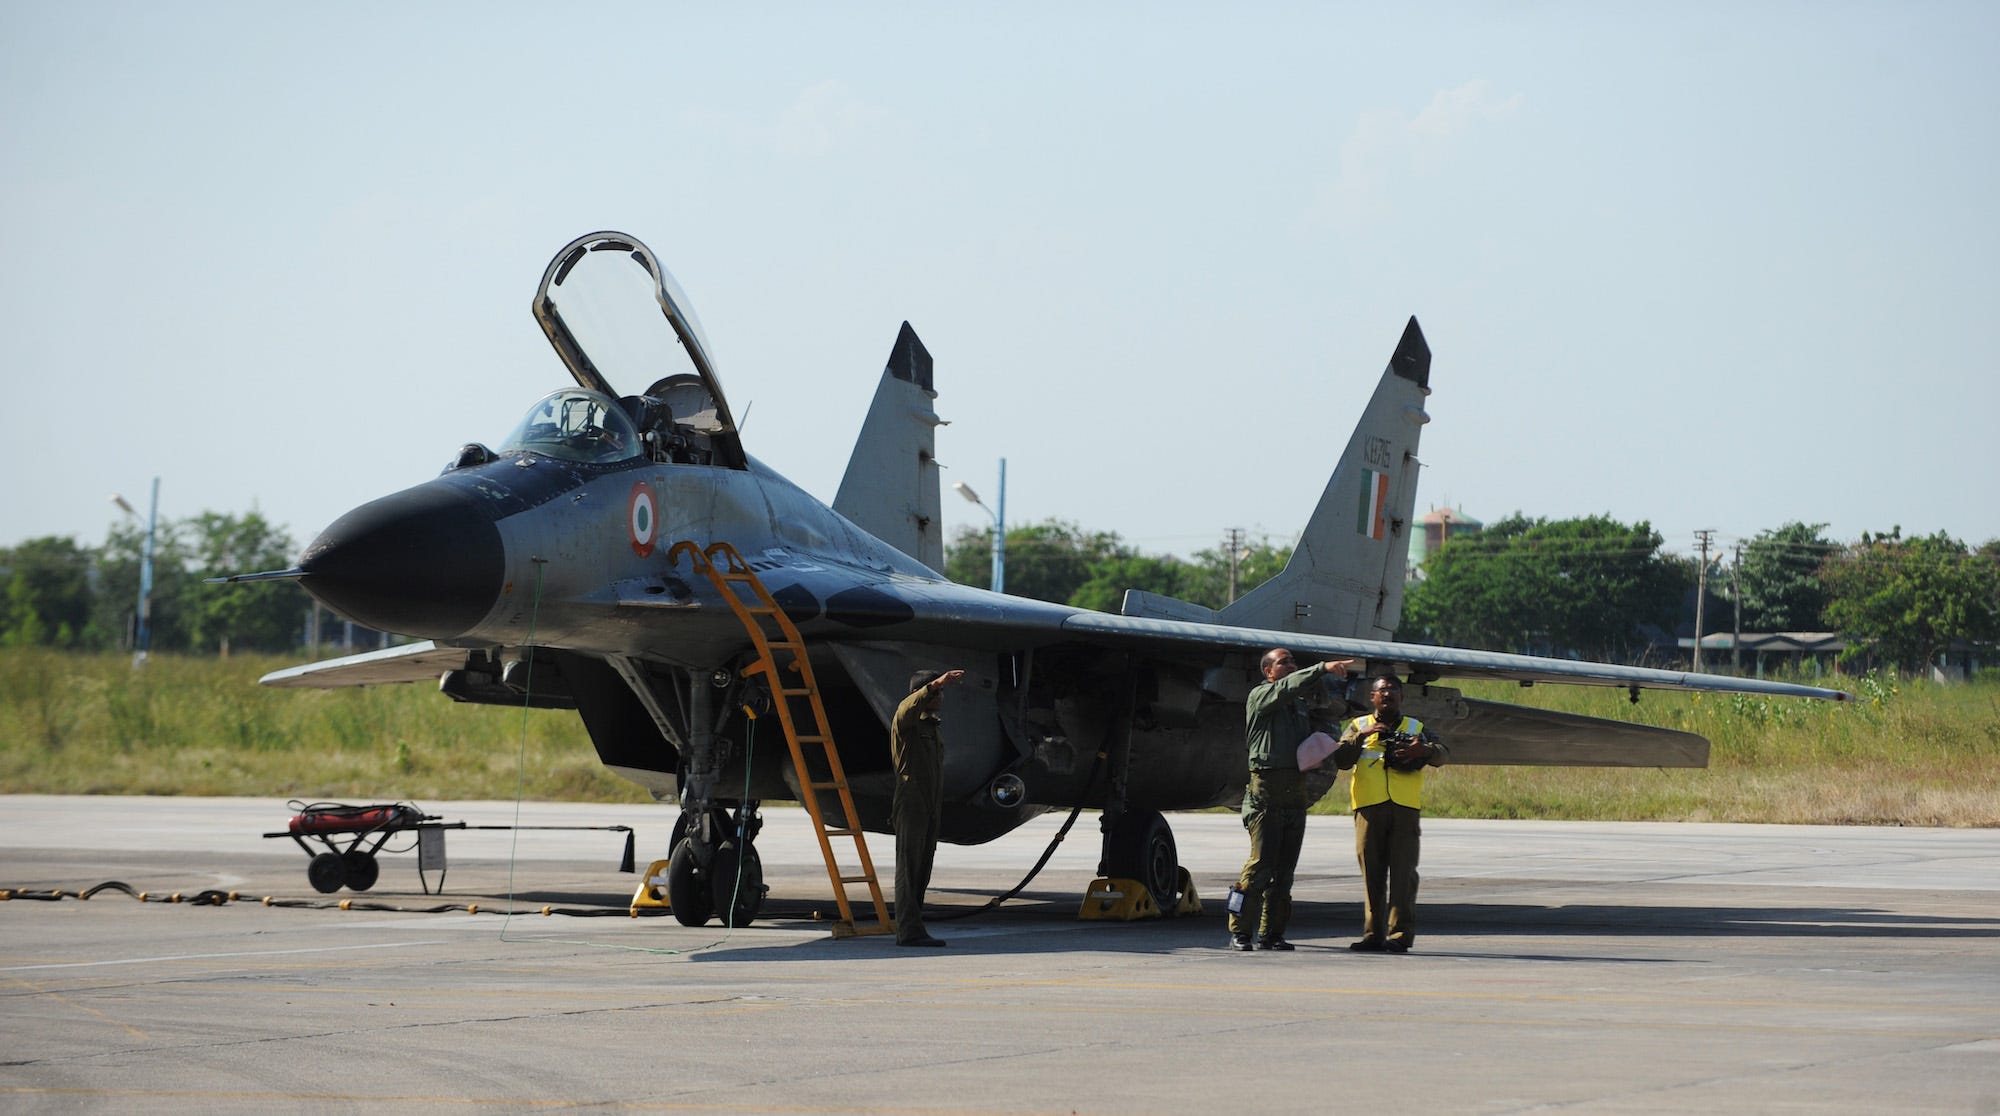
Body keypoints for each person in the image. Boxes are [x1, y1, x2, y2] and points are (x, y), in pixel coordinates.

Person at [1228, 649, 1358, 952]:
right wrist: (1322, 667)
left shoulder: (1298, 707)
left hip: (1294, 794)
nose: (1290, 666)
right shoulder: (1260, 697)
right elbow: (1288, 687)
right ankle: (1241, 932)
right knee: (1260, 866)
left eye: (1292, 662)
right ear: (1268, 672)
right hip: (1267, 794)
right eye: (1283, 662)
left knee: (1284, 871)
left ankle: (1272, 933)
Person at [1334, 675, 1449, 953]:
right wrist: (1362, 737)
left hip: (1404, 809)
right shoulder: (1358, 726)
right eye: (1382, 690)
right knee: (1371, 873)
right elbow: (1340, 759)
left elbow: (1443, 754)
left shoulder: (1416, 728)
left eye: (1393, 690)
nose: (1388, 695)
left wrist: (1423, 749)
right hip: (1369, 808)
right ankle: (1373, 934)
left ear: (1401, 697)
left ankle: (1399, 935)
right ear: (1371, 697)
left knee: (1403, 874)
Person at [890, 667, 966, 947]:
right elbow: (906, 707)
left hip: (929, 802)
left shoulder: (933, 728)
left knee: (922, 867)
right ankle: (907, 931)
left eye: (942, 692)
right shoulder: (906, 722)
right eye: (937, 692)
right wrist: (934, 685)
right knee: (908, 867)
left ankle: (914, 926)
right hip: (911, 800)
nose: (941, 696)